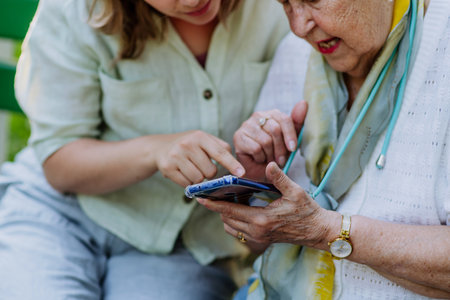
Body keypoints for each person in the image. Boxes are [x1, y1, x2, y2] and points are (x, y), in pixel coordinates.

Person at [0, 0, 289, 299]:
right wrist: (154, 150)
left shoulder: (278, 10)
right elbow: (59, 164)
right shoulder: (74, 9)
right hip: (61, 214)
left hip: (185, 243)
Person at [198, 0, 450, 298]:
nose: (298, 26)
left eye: (312, 1)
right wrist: (256, 183)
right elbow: (257, 246)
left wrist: (327, 232)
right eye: (285, 4)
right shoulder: (298, 51)